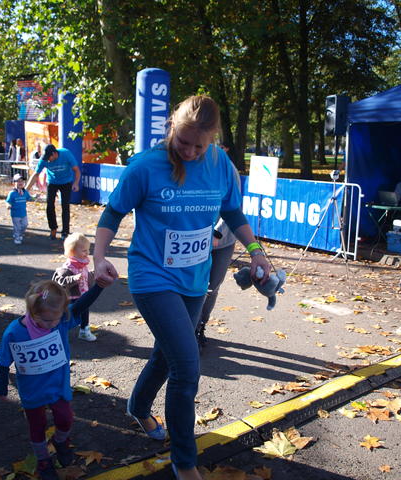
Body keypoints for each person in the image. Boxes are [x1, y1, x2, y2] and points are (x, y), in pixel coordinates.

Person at [92, 95, 270, 480]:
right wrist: (99, 256)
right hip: (152, 276)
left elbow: (232, 211)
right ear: (172, 126)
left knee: (167, 354)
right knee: (187, 367)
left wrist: (256, 251)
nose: (189, 152)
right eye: (183, 142)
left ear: (213, 139)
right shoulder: (146, 166)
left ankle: (138, 407)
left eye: (198, 146)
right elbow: (113, 212)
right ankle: (185, 462)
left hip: (194, 279)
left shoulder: (220, 164)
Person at [0, 280, 102, 480]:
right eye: (45, 320)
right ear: (32, 312)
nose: (51, 324)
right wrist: (1, 385)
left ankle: (60, 441)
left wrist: (100, 285)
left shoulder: (60, 322)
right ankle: (43, 459)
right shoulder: (14, 332)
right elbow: (3, 360)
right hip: (32, 390)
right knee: (37, 426)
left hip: (57, 385)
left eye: (55, 319)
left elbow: (81, 305)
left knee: (65, 418)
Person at [195, 218, 236, 351]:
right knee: (195, 286)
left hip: (224, 241)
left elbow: (232, 210)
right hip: (196, 238)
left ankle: (201, 326)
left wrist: (217, 232)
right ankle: (192, 329)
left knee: (212, 287)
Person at [25, 144, 81, 240]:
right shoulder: (44, 159)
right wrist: (25, 190)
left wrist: (76, 183)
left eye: (49, 158)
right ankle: (53, 229)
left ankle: (65, 232)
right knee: (49, 205)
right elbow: (35, 174)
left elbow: (77, 170)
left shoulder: (66, 154)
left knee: (65, 206)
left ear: (54, 154)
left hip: (66, 182)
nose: (48, 160)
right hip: (52, 182)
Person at [52, 233, 101, 341]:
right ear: (72, 252)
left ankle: (84, 330)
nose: (87, 253)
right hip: (71, 298)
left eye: (88, 250)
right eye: (84, 250)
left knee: (84, 313)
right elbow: (60, 282)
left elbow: (86, 277)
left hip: (83, 295)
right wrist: (73, 279)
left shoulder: (82, 264)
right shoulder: (66, 268)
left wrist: (94, 273)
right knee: (67, 316)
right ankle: (57, 331)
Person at [5, 174, 32, 245]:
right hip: (15, 214)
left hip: (23, 213)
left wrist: (35, 197)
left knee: (25, 225)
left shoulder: (25, 192)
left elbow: (29, 198)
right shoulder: (12, 193)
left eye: (22, 181)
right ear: (14, 183)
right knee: (17, 227)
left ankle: (19, 234)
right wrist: (8, 205)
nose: (20, 183)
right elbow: (8, 201)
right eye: (18, 181)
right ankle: (17, 238)